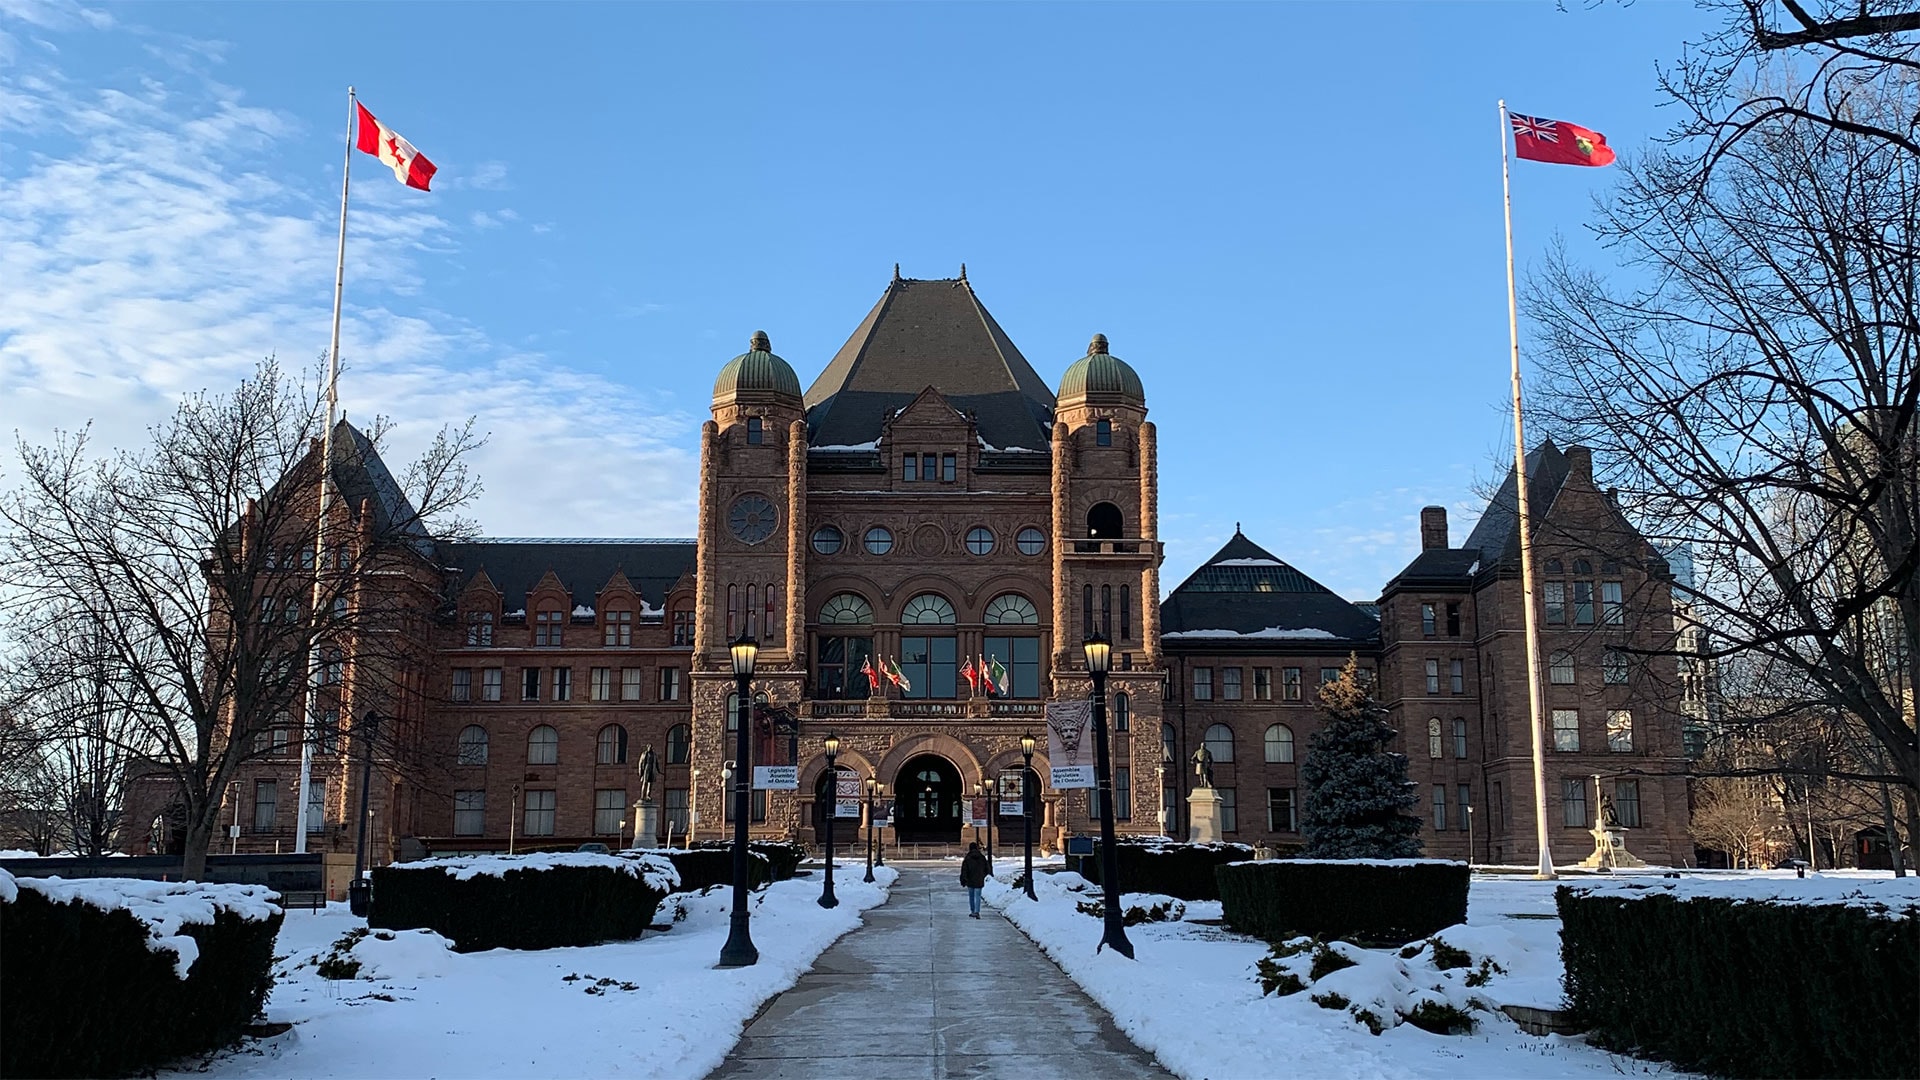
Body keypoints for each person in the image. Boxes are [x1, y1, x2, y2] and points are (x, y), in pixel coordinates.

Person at [959, 841, 992, 918]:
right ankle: (977, 911)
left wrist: (964, 879)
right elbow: (987, 868)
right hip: (979, 879)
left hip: (970, 879)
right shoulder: (982, 857)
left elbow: (964, 870)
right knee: (978, 896)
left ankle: (972, 911)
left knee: (971, 896)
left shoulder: (968, 858)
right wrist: (982, 875)